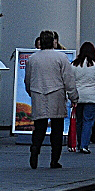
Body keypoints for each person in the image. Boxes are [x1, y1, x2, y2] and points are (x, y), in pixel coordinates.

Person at [25, 30, 75, 169]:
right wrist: (73, 96)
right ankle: (54, 159)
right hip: (56, 93)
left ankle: (35, 147)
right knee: (57, 129)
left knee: (39, 127)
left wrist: (30, 91)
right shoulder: (61, 57)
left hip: (38, 93)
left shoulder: (32, 59)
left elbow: (28, 79)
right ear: (54, 42)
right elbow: (68, 79)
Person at [70, 42, 95, 154]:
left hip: (78, 96)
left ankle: (79, 143)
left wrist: (71, 95)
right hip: (92, 96)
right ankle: (84, 145)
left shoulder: (74, 65)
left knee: (79, 121)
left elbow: (70, 81)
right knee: (88, 121)